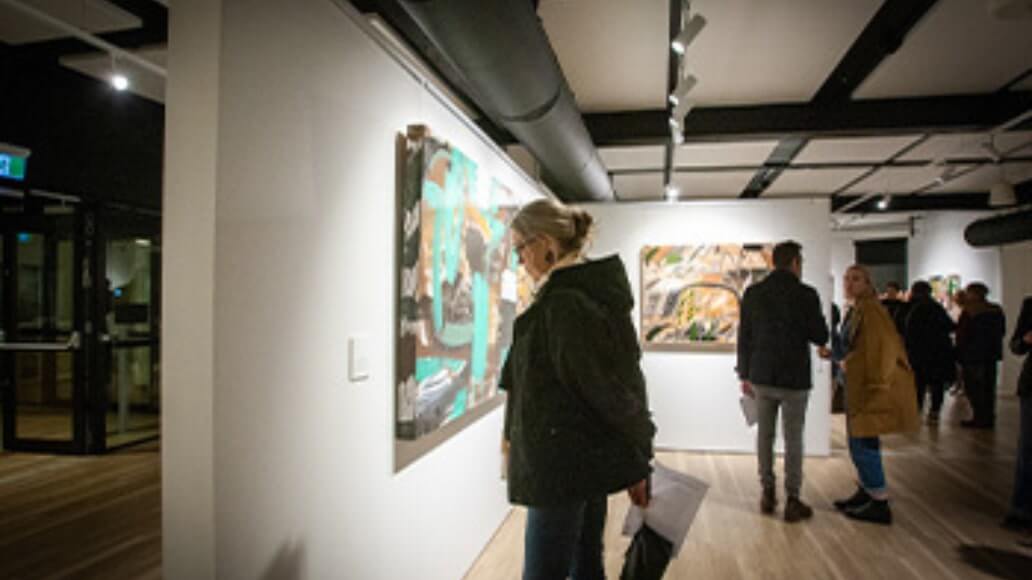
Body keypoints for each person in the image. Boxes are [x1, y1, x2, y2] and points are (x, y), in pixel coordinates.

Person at [500, 198, 656, 580]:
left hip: (561, 467)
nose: (519, 259)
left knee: (549, 571)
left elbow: (608, 390)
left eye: (521, 247)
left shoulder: (566, 305)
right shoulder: (573, 297)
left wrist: (640, 458)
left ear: (545, 244)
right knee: (585, 563)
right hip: (581, 459)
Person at [737, 240, 830, 522]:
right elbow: (820, 335)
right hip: (794, 379)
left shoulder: (754, 293)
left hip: (762, 376)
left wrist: (743, 373)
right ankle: (792, 498)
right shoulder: (806, 294)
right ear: (795, 263)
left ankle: (767, 492)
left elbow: (745, 337)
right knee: (793, 438)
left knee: (764, 437)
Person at [834, 265, 919, 525]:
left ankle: (878, 500)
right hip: (858, 384)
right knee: (859, 441)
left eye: (856, 279)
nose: (849, 284)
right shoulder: (859, 309)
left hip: (867, 387)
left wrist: (860, 371)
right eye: (847, 279)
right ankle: (867, 492)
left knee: (864, 442)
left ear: (869, 283)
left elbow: (880, 349)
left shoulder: (871, 311)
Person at [904, 280, 957, 424]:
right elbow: (950, 326)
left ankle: (917, 410)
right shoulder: (935, 307)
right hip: (937, 352)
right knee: (936, 383)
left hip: (918, 352)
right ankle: (934, 411)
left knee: (918, 383)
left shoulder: (911, 308)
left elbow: (906, 331)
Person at [955, 282, 1006, 429]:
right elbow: (1001, 330)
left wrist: (960, 351)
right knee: (988, 388)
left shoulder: (970, 311)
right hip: (990, 354)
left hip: (972, 355)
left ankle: (980, 417)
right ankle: (987, 417)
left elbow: (963, 334)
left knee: (974, 388)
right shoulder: (995, 310)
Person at [1003, 295, 1032, 536]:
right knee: (1028, 450)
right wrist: (1024, 340)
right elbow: (1015, 345)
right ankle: (1021, 509)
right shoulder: (1031, 305)